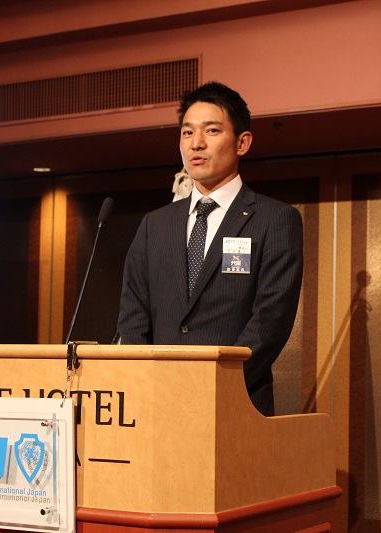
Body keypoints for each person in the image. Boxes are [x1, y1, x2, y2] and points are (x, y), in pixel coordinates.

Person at [116, 81, 303, 416]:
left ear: (242, 142)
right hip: (155, 407)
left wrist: (210, 388)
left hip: (234, 405)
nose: (196, 143)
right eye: (187, 133)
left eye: (212, 130)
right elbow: (133, 319)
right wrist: (142, 387)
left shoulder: (275, 219)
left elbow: (270, 321)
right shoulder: (154, 225)